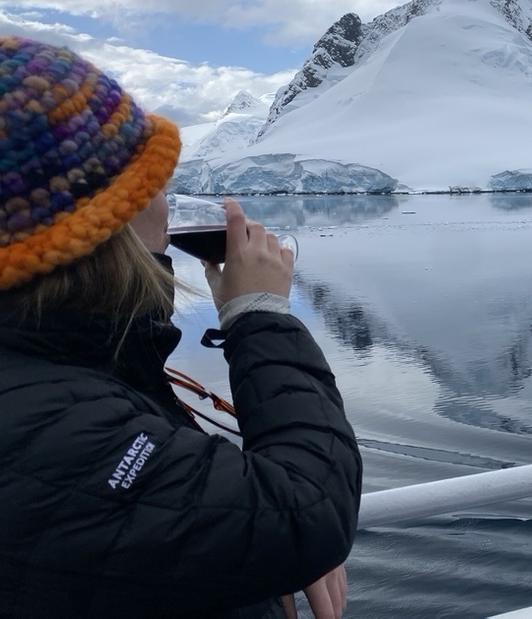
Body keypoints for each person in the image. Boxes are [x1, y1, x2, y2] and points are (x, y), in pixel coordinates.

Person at [0, 36, 362, 618]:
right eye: (152, 186)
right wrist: (260, 316)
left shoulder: (56, 359)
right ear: (104, 221)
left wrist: (258, 553)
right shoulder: (46, 423)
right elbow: (306, 508)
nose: (167, 205)